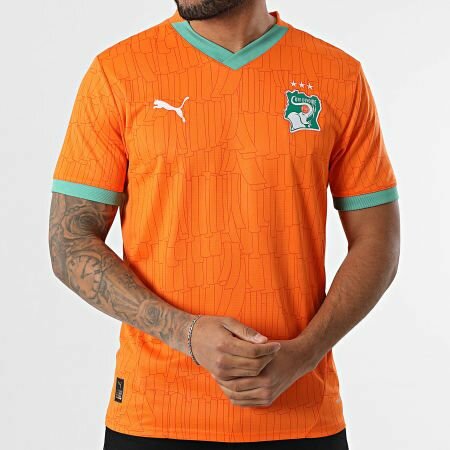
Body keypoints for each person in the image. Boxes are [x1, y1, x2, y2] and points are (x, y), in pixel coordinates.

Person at [48, 0, 400, 448]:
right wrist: (185, 333)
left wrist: (304, 355)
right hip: (153, 415)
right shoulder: (116, 74)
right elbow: (70, 242)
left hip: (301, 415)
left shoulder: (337, 76)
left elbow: (378, 240)